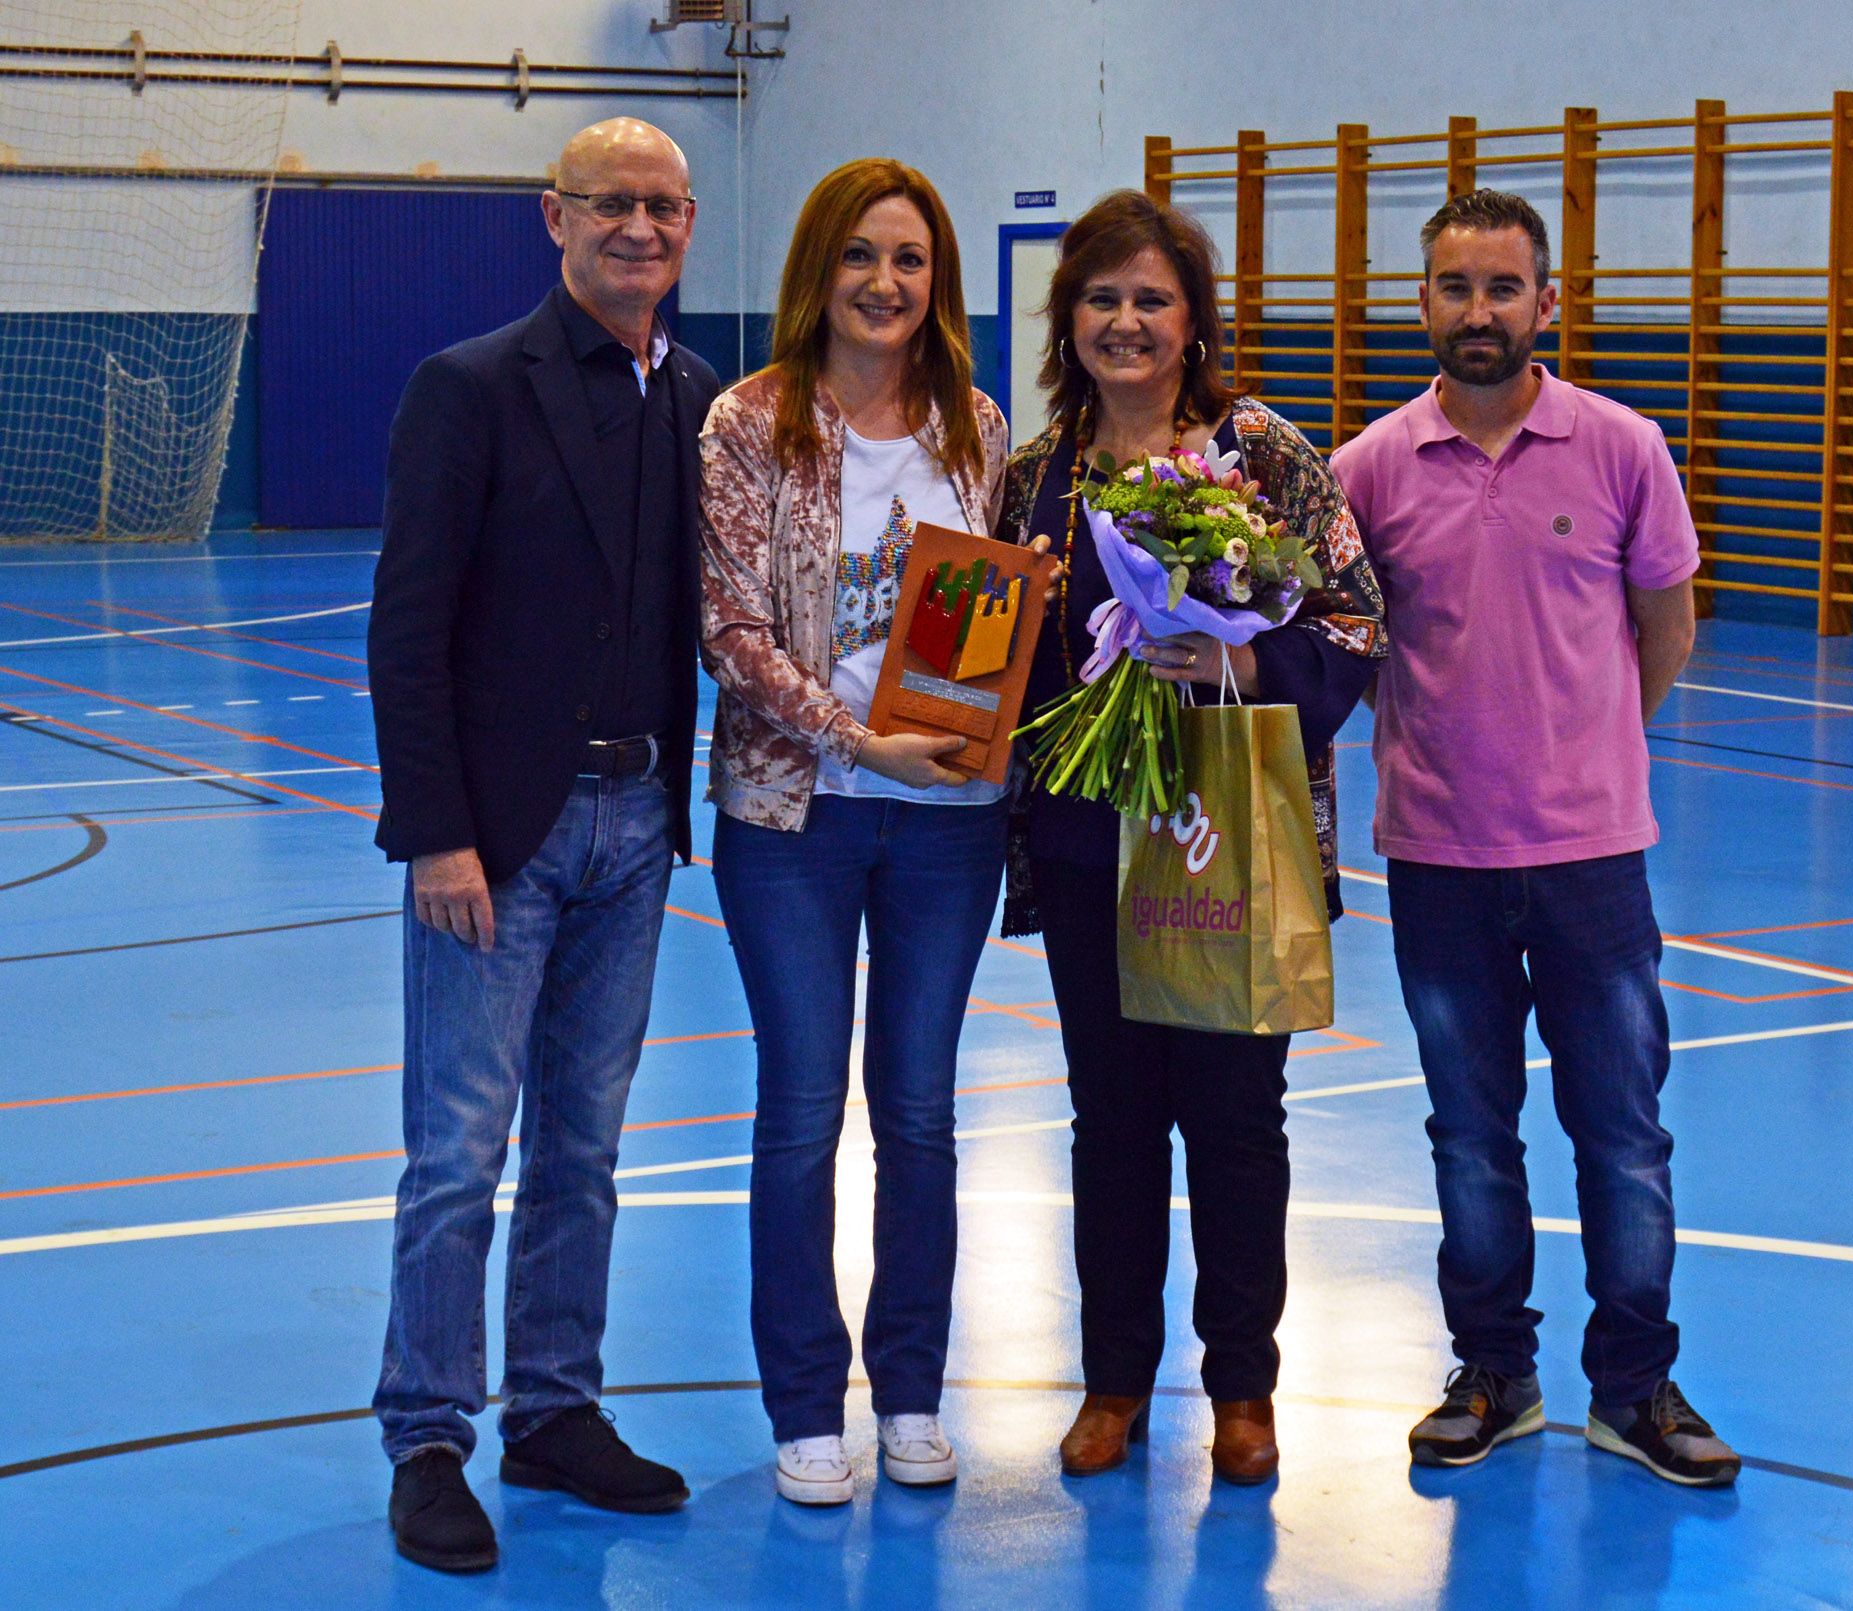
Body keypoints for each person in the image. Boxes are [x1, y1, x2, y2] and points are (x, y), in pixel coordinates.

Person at [1331, 189, 1737, 1487]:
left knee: (1621, 1136)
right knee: (1468, 1133)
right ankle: (1492, 1374)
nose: (1478, 311)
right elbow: (1330, 650)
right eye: (1453, 286)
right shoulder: (1367, 471)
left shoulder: (1622, 448)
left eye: (1502, 287)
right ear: (1421, 304)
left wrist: (1588, 745)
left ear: (1546, 304)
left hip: (1590, 864)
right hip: (1438, 864)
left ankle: (1634, 1387)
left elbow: (1661, 624)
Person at [366, 118, 718, 1571]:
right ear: (553, 218)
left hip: (639, 825)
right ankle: (430, 1432)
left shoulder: (702, 397)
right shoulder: (465, 390)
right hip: (498, 838)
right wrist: (436, 835)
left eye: (663, 206)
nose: (638, 227)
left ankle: (556, 1410)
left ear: (689, 227)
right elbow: (409, 626)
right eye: (610, 204)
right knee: (459, 1150)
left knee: (584, 1143)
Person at [997, 190, 1386, 1486]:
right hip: (1085, 847)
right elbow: (989, 674)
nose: (1125, 321)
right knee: (1106, 1122)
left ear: (1191, 320)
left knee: (1234, 1124)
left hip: (1231, 840)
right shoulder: (1030, 481)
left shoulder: (1258, 453)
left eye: (1150, 299)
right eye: (1101, 299)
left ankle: (1241, 1391)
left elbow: (1351, 625)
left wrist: (1233, 665)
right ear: (1069, 321)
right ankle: (1113, 1383)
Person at [698, 159, 1018, 1507]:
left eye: (911, 260)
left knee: (923, 1115)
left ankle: (910, 1392)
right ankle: (800, 1405)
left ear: (936, 281)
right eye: (860, 258)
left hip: (950, 823)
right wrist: (850, 735)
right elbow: (730, 628)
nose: (885, 285)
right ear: (816, 273)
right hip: (793, 817)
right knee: (798, 1110)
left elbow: (990, 615)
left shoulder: (977, 425)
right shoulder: (747, 421)